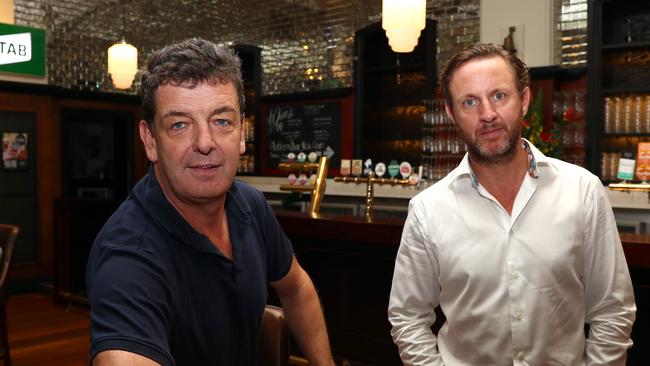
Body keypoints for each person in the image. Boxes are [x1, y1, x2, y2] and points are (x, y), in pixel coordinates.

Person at [87, 38, 335, 366]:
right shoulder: (129, 254)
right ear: (150, 141)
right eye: (179, 124)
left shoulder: (250, 204)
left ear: (241, 133)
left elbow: (297, 287)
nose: (205, 143)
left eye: (221, 121)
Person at [388, 43, 636, 365]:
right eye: (470, 102)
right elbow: (408, 317)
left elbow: (612, 310)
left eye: (499, 96)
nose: (487, 114)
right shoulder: (427, 211)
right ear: (451, 114)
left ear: (525, 100)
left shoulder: (582, 191)